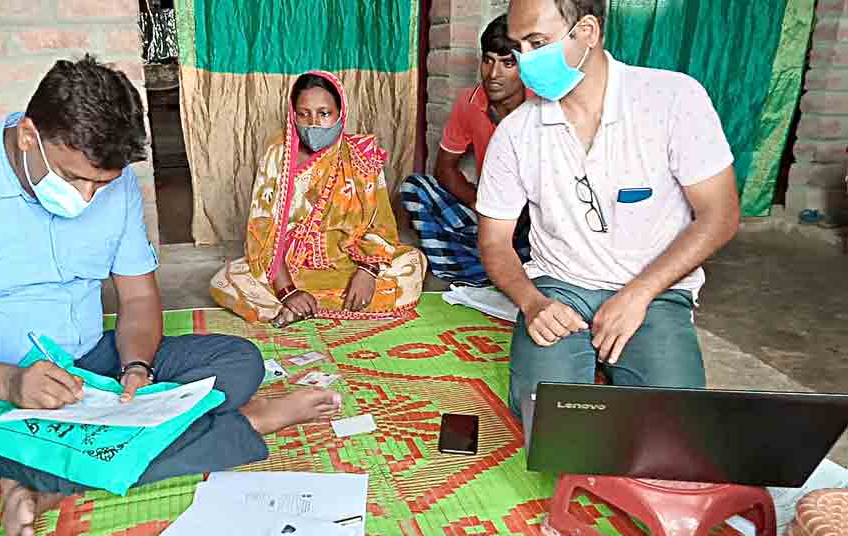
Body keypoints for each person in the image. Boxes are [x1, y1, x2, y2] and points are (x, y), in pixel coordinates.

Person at [0, 55, 341, 536]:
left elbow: (136, 297)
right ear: (30, 136)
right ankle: (242, 423)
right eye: (74, 179)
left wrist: (137, 365)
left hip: (94, 365)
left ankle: (59, 474)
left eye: (102, 183)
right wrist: (7, 381)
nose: (89, 198)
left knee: (239, 361)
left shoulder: (112, 181)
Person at [476, 0, 740, 436]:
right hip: (561, 287)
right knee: (552, 429)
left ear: (588, 31)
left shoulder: (671, 100)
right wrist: (532, 302)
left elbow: (721, 214)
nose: (525, 63)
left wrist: (638, 293)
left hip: (655, 291)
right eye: (519, 46)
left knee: (675, 430)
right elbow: (494, 241)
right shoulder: (516, 132)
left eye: (538, 43)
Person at [211, 71, 427, 327]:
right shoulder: (277, 155)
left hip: (349, 262)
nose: (313, 123)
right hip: (289, 267)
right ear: (293, 114)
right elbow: (264, 232)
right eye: (304, 114)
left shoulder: (361, 156)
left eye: (324, 114)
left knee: (412, 263)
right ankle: (297, 302)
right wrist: (286, 289)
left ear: (340, 113)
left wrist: (368, 271)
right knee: (226, 280)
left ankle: (295, 309)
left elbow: (379, 225)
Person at [400, 14, 532, 287]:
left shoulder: (543, 106)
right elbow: (444, 168)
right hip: (487, 212)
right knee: (415, 188)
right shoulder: (470, 102)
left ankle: (490, 264)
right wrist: (477, 203)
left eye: (508, 63)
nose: (493, 75)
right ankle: (487, 266)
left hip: (532, 219)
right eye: (488, 60)